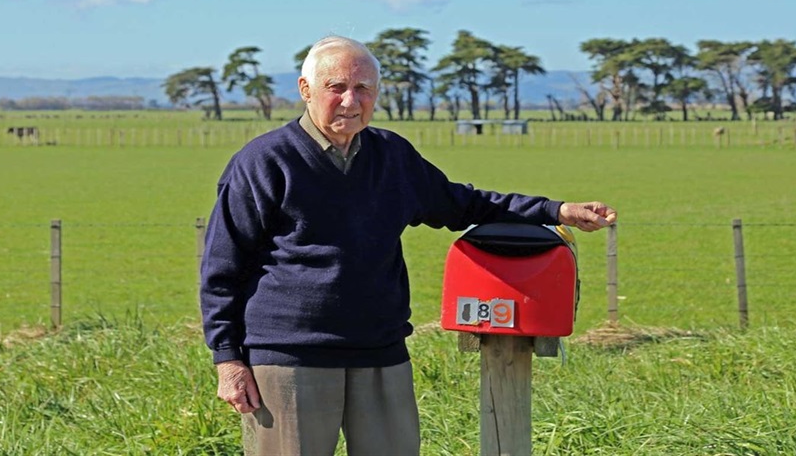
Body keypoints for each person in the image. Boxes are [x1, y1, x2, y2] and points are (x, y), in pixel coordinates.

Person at [200, 36, 617, 455]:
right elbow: (223, 266)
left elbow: (464, 203)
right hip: (290, 358)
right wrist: (228, 358)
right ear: (306, 90)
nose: (351, 99)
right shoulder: (264, 161)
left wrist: (556, 211)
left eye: (363, 88)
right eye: (336, 87)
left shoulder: (391, 156)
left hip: (381, 350)